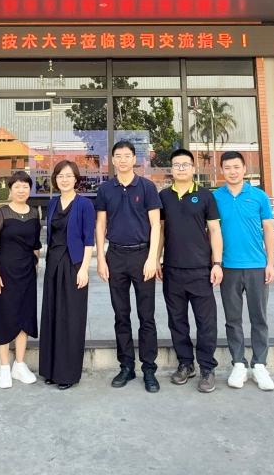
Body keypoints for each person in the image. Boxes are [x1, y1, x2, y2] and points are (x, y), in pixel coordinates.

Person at [95, 140, 163, 392]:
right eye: (118, 156)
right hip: (115, 256)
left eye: (127, 155)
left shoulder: (146, 187)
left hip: (142, 256)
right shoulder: (105, 189)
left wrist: (152, 258)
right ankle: (126, 366)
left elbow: (155, 224)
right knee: (121, 315)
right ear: (112, 160)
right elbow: (100, 225)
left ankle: (149, 368)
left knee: (147, 316)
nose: (122, 160)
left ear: (135, 159)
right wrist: (100, 258)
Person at [157, 148, 223, 393]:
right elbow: (160, 231)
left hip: (200, 270)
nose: (181, 168)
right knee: (177, 321)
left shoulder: (205, 196)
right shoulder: (164, 196)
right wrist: (156, 260)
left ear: (193, 168)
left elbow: (214, 230)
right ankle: (186, 363)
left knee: (206, 322)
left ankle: (207, 367)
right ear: (171, 169)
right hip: (172, 270)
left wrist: (217, 263)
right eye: (177, 165)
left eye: (185, 164)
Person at [214, 151, 274, 392]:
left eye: (236, 167)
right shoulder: (216, 197)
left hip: (256, 267)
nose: (232, 171)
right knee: (233, 320)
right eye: (227, 167)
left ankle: (259, 364)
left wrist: (270, 263)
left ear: (244, 169)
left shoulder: (259, 196)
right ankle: (238, 363)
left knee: (259, 317)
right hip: (228, 267)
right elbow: (211, 231)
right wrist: (215, 263)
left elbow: (268, 230)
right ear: (222, 170)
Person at [39, 160, 95, 390]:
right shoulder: (52, 203)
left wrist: (84, 269)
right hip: (53, 263)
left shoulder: (84, 205)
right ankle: (51, 370)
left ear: (76, 179)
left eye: (69, 176)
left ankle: (68, 374)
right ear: (55, 179)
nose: (64, 179)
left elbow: (89, 239)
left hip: (74, 264)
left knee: (71, 318)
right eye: (60, 176)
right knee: (52, 315)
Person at [0, 171, 41, 389]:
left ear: (29, 189)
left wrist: (35, 265)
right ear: (10, 189)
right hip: (4, 273)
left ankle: (19, 364)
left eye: (25, 186)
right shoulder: (2, 213)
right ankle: (4, 367)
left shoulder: (34, 213)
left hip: (27, 274)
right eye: (17, 186)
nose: (21, 190)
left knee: (24, 318)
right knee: (4, 317)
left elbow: (36, 245)